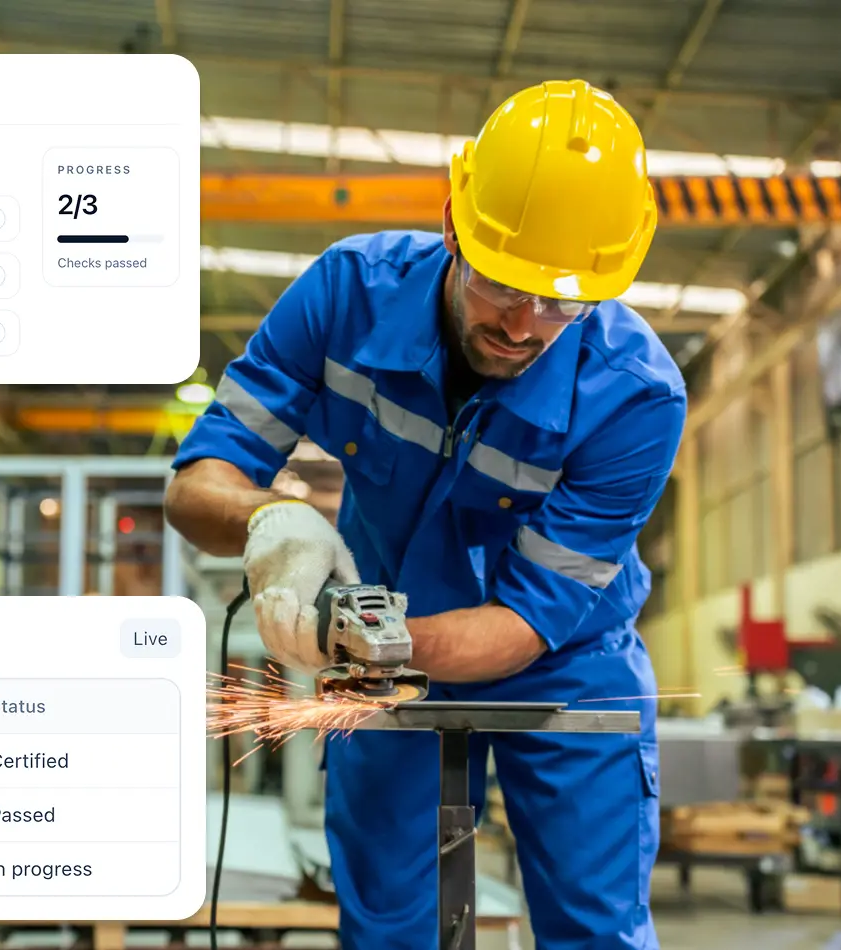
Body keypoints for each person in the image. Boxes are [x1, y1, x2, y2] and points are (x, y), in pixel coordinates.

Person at [165, 79, 683, 948]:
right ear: (453, 224)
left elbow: (522, 626)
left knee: (594, 930)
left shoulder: (634, 397)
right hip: (379, 649)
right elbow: (196, 484)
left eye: (563, 301)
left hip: (567, 658)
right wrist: (273, 522)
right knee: (389, 925)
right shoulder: (346, 298)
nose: (525, 325)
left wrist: (364, 639)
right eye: (503, 284)